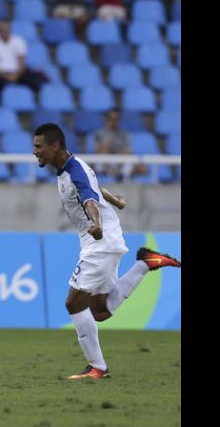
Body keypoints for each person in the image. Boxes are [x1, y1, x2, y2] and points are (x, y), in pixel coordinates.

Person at [32, 123, 180, 380]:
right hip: (103, 240)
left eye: (38, 146)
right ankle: (146, 263)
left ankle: (97, 368)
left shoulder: (75, 170)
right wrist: (116, 201)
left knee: (73, 302)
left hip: (100, 242)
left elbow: (90, 200)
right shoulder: (72, 167)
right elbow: (96, 188)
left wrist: (97, 224)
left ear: (54, 146)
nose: (35, 152)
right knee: (99, 311)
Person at [0, 20, 47, 99]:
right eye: (0, 29)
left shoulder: (19, 41)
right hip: (0, 74)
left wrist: (16, 75)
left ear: (10, 28)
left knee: (35, 80)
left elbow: (21, 62)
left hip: (17, 72)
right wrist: (7, 77)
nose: (3, 31)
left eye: (5, 28)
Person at [93, 110, 148, 179]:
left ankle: (119, 174)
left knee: (140, 166)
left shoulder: (124, 135)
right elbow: (99, 152)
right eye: (111, 119)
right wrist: (110, 135)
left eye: (116, 119)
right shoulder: (99, 134)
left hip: (119, 162)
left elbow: (127, 152)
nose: (114, 122)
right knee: (100, 159)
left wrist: (119, 165)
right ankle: (114, 174)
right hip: (105, 162)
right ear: (106, 120)